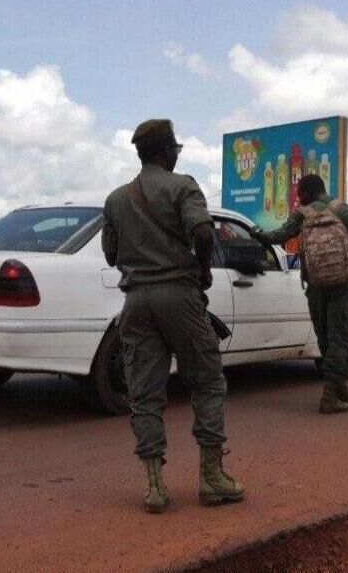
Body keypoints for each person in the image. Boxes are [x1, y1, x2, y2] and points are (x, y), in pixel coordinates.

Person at [101, 119, 245, 514]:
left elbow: (111, 255)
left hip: (136, 302)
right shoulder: (183, 185)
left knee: (144, 393)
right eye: (175, 149)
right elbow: (202, 233)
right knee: (208, 379)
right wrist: (201, 270)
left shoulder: (115, 200)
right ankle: (212, 478)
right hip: (179, 296)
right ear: (168, 151)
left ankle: (155, 486)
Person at [254, 175, 348, 414]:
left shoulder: (302, 215)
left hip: (315, 284)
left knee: (325, 336)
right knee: (341, 336)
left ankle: (334, 389)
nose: (298, 197)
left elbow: (278, 236)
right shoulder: (344, 211)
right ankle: (332, 391)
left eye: (300, 192)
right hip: (343, 283)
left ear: (308, 192)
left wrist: (258, 234)